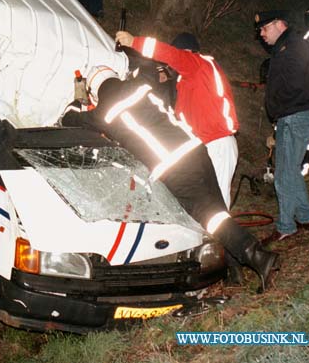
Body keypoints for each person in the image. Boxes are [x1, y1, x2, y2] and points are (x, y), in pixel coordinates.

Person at [62, 67, 279, 292]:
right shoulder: (141, 86)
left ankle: (260, 257)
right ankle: (233, 268)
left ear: (95, 93)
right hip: (196, 151)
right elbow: (149, 68)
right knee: (217, 209)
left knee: (209, 217)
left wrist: (77, 101)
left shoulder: (104, 113)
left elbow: (69, 119)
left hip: (174, 166)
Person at [114, 31, 239, 209]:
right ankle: (203, 234)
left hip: (217, 142)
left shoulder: (197, 63)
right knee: (202, 196)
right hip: (205, 144)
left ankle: (219, 236)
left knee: (216, 198)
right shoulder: (190, 81)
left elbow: (173, 56)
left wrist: (135, 42)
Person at [254, 10, 309, 244]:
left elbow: (292, 86)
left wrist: (279, 114)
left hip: (295, 116)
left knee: (283, 174)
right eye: (259, 30)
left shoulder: (293, 48)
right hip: (292, 116)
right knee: (291, 170)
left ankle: (286, 226)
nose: (261, 34)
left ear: (279, 24)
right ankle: (306, 217)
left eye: (264, 28)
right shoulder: (289, 46)